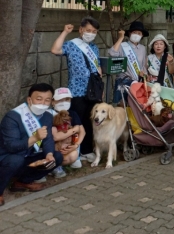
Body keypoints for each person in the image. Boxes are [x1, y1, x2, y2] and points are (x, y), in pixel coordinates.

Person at [0, 83, 65, 205]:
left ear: (51, 102)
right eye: (39, 99)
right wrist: (34, 138)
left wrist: (49, 154)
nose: (43, 103)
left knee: (57, 157)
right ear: (29, 99)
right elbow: (11, 146)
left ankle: (23, 181)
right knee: (16, 160)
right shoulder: (12, 117)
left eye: (47, 100)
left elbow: (48, 139)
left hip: (27, 157)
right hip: (7, 158)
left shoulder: (47, 116)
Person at [50, 17, 101, 162]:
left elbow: (97, 68)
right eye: (88, 30)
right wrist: (65, 32)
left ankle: (86, 150)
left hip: (92, 91)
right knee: (77, 122)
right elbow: (55, 50)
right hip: (76, 90)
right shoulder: (71, 45)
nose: (91, 33)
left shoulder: (94, 48)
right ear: (81, 30)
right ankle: (74, 150)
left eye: (94, 31)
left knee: (90, 121)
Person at [109, 21, 149, 105]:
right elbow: (112, 53)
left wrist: (144, 73)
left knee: (135, 107)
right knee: (121, 106)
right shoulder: (122, 45)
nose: (136, 34)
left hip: (137, 82)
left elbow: (143, 65)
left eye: (139, 33)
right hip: (123, 81)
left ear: (142, 36)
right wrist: (120, 38)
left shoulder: (142, 48)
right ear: (130, 33)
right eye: (134, 32)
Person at [49, 88, 85, 178]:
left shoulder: (72, 113)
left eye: (67, 99)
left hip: (68, 145)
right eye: (60, 100)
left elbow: (82, 131)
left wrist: (76, 145)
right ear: (53, 102)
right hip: (53, 149)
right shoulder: (49, 115)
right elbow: (56, 137)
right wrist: (73, 130)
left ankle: (58, 164)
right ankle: (53, 166)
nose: (64, 102)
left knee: (73, 156)